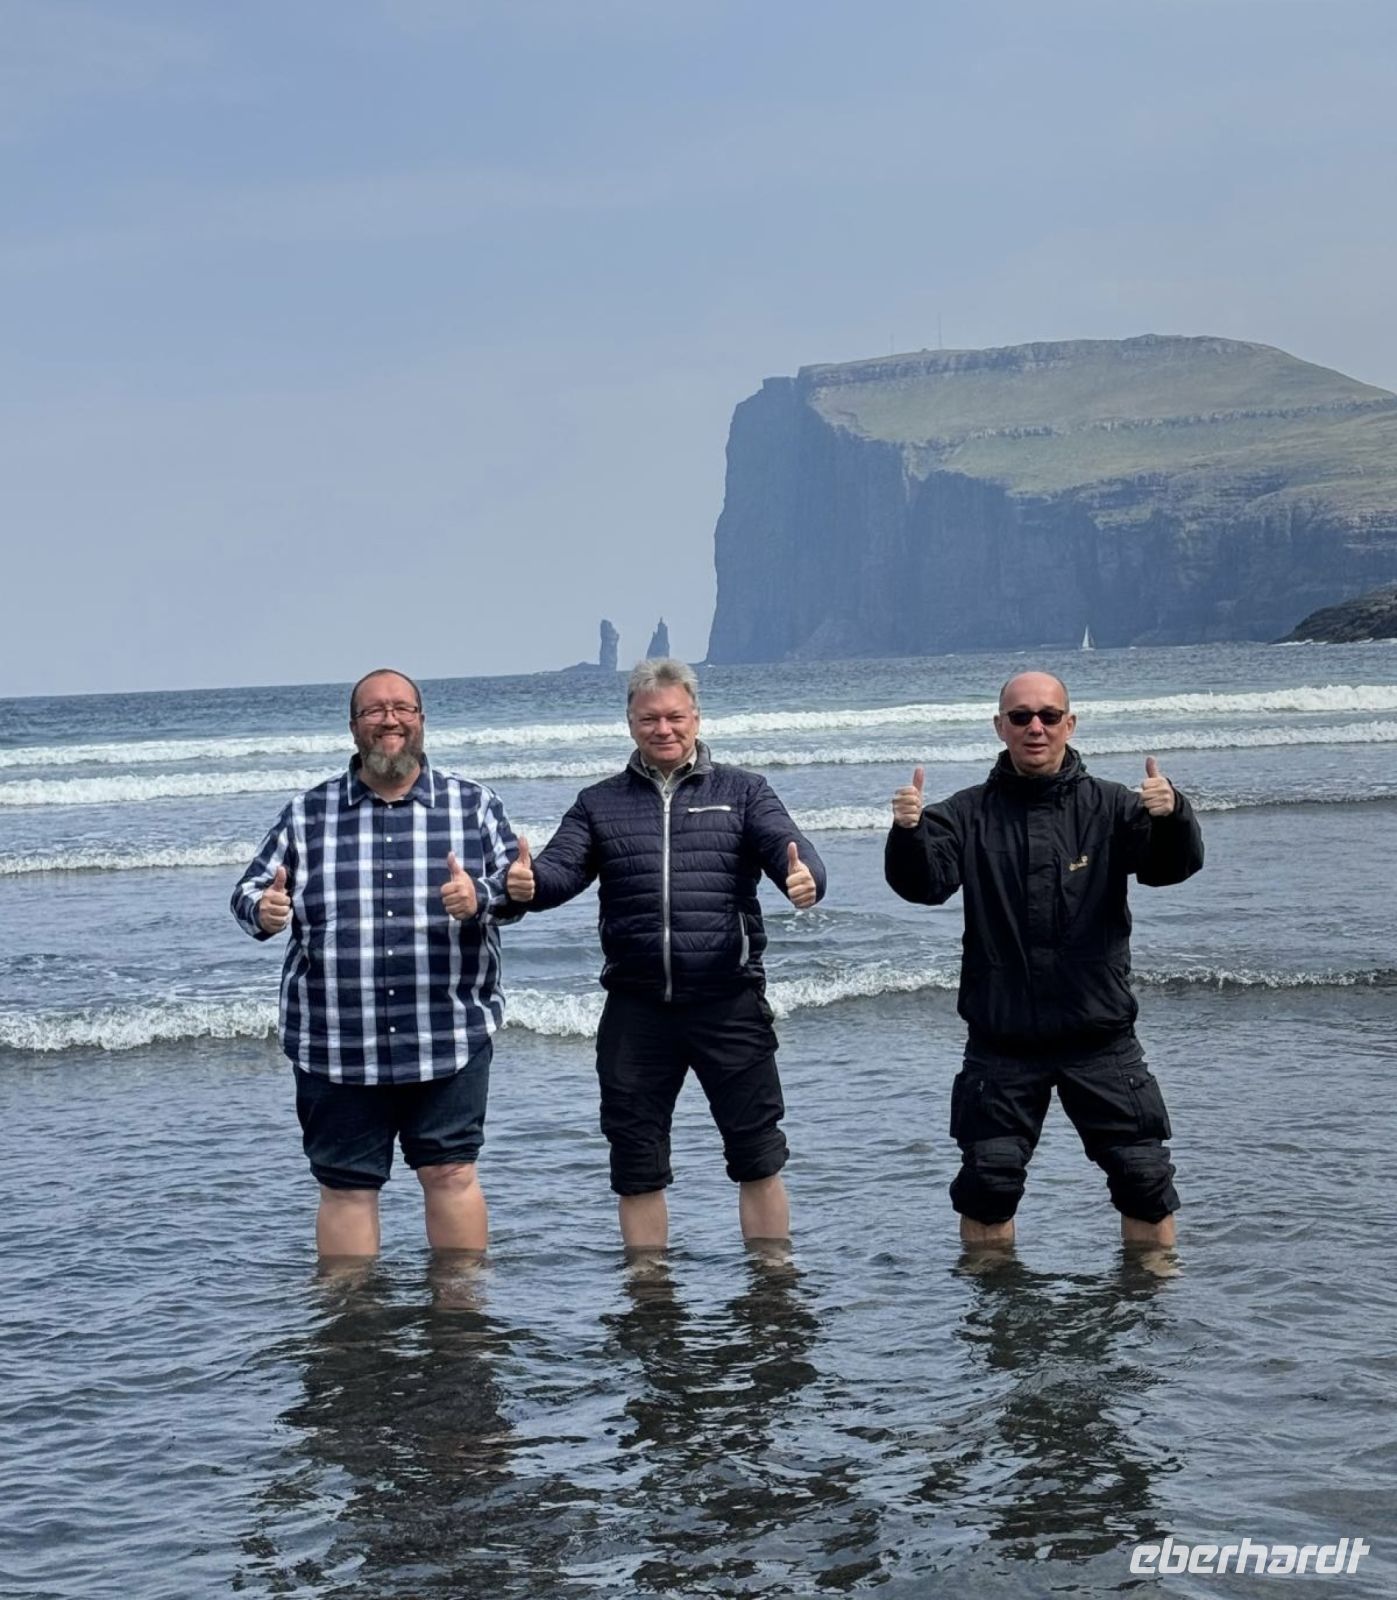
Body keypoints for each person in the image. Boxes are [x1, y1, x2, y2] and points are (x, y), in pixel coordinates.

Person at [504, 658, 826, 1252]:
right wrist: (522, 887)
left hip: (729, 1002)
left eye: (675, 716)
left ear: (696, 718)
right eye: (650, 718)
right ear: (630, 722)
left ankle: (772, 1279)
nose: (664, 729)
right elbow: (557, 872)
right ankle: (649, 1286)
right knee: (635, 1159)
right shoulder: (600, 803)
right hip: (636, 1009)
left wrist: (804, 880)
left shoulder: (744, 790)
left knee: (758, 1154)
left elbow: (794, 853)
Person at [884, 670, 1203, 1251]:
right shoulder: (964, 813)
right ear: (999, 727)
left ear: (1069, 724)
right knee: (988, 1184)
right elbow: (925, 884)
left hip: (1100, 1036)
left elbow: (1170, 867)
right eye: (1021, 716)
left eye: (1048, 716)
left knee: (1145, 1180)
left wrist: (1173, 814)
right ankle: (997, 1315)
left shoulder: (1111, 806)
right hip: (1002, 1041)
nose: (1035, 727)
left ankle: (1152, 1316)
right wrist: (906, 833)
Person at [231, 668, 520, 1259]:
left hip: (448, 1031)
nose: (389, 720)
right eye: (374, 711)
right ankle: (349, 1322)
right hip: (334, 1040)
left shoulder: (473, 804)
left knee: (451, 1173)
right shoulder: (307, 813)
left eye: (401, 708)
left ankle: (460, 1319)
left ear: (420, 719)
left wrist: (482, 899)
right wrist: (264, 909)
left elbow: (515, 888)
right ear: (354, 726)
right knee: (345, 1187)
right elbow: (247, 893)